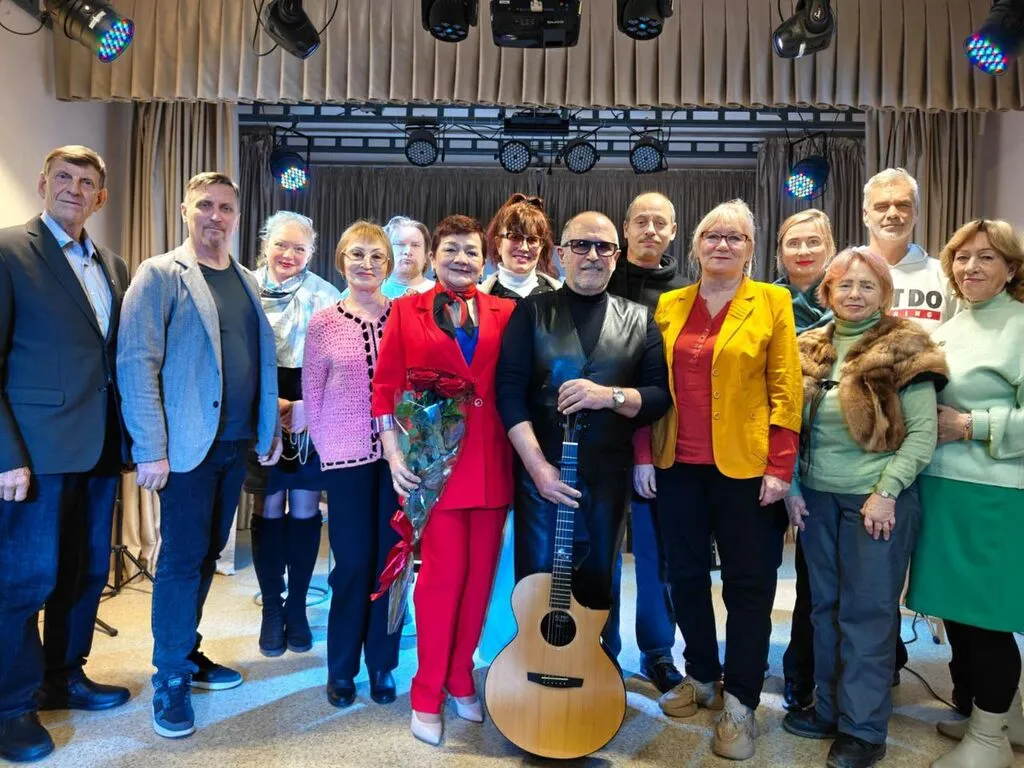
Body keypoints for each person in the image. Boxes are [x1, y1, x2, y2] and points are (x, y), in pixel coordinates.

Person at [117, 172, 282, 740]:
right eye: (205, 205)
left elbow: (258, 359)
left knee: (210, 552)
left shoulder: (245, 279)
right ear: (186, 211)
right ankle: (169, 675)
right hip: (186, 449)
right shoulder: (160, 273)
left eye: (226, 207)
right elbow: (136, 363)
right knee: (182, 560)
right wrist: (150, 448)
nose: (216, 215)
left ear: (237, 216)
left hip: (235, 444)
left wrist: (266, 427)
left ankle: (186, 652)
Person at [645, 200, 802, 761]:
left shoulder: (772, 301)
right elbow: (650, 382)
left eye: (735, 237)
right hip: (677, 465)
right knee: (684, 576)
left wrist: (781, 466)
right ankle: (701, 675)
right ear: (695, 245)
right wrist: (643, 453)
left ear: (751, 249)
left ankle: (740, 700)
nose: (723, 244)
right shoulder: (669, 304)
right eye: (712, 235)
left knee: (748, 585)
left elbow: (787, 387)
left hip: (747, 470)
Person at [783, 247, 946, 768]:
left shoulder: (907, 345)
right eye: (844, 284)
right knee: (824, 609)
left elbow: (922, 434)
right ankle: (828, 710)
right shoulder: (808, 345)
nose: (854, 294)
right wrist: (792, 488)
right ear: (827, 292)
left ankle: (864, 730)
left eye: (866, 285)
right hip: (816, 499)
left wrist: (886, 492)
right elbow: (785, 426)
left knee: (867, 614)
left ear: (884, 293)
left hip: (877, 500)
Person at [496, 209, 671, 677]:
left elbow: (658, 398)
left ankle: (597, 677)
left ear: (616, 255)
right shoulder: (532, 313)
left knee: (599, 582)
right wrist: (537, 468)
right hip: (542, 478)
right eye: (581, 245)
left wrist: (608, 396)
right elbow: (508, 395)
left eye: (603, 247)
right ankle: (533, 679)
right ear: (560, 254)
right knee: (537, 583)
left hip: (608, 480)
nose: (592, 255)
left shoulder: (640, 320)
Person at [0, 146, 130, 763]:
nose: (74, 189)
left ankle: (64, 677)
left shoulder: (113, 264)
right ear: (43, 183)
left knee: (84, 572)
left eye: (86, 182)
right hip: (35, 453)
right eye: (63, 178)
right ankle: (11, 707)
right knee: (26, 579)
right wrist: (6, 453)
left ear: (100, 198)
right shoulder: (8, 251)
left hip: (99, 447)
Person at [371, 214, 516, 746]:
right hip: (437, 468)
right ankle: (427, 690)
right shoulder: (405, 310)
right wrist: (393, 454)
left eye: (471, 251)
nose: (462, 259)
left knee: (479, 583)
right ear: (433, 257)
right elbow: (384, 387)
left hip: (494, 462)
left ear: (485, 259)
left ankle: (460, 675)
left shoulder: (507, 312)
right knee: (440, 583)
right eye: (451, 249)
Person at [906, 219, 1024, 768]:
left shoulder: (1020, 325)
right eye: (962, 257)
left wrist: (972, 425)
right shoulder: (952, 326)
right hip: (943, 487)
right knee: (957, 614)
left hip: (994, 493)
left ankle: (991, 738)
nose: (971, 267)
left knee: (987, 617)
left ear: (1012, 268)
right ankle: (990, 715)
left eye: (987, 257)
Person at [304, 221, 401, 709]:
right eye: (357, 254)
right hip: (345, 462)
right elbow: (312, 393)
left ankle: (382, 663)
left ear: (389, 265)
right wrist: (328, 449)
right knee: (352, 564)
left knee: (392, 563)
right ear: (341, 260)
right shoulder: (323, 323)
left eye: (376, 256)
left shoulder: (404, 317)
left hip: (399, 462)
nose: (366, 264)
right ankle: (341, 668)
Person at [245, 211, 341, 658]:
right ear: (265, 244)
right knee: (267, 503)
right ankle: (271, 608)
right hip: (259, 400)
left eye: (299, 248)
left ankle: (298, 608)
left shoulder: (326, 294)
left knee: (304, 505)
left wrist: (304, 406)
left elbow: (338, 365)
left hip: (310, 403)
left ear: (311, 253)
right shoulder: (245, 286)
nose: (289, 254)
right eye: (281, 245)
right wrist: (270, 406)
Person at [606, 191, 687, 693]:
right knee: (603, 554)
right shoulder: (599, 279)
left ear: (673, 232)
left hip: (660, 438)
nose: (651, 230)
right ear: (626, 227)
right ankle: (603, 651)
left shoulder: (685, 293)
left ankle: (657, 652)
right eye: (642, 221)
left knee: (658, 556)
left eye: (661, 223)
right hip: (602, 441)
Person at [773, 209, 836, 712]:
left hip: (825, 459)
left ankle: (805, 669)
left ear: (830, 248)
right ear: (779, 252)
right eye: (793, 242)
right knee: (756, 567)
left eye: (814, 241)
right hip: (766, 453)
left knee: (817, 574)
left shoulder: (848, 302)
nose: (803, 251)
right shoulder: (763, 301)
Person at [863, 168, 956, 331]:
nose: (893, 214)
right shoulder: (841, 272)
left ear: (916, 213)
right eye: (882, 206)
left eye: (903, 205)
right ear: (865, 215)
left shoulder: (943, 275)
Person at [480, 192, 561, 299]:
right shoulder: (477, 299)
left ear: (541, 246)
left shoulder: (558, 295)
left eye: (532, 239)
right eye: (515, 237)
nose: (524, 248)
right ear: (498, 244)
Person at [344, 215, 434, 299]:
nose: (407, 251)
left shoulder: (439, 293)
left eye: (415, 245)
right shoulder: (356, 294)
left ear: (426, 255)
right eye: (400, 244)